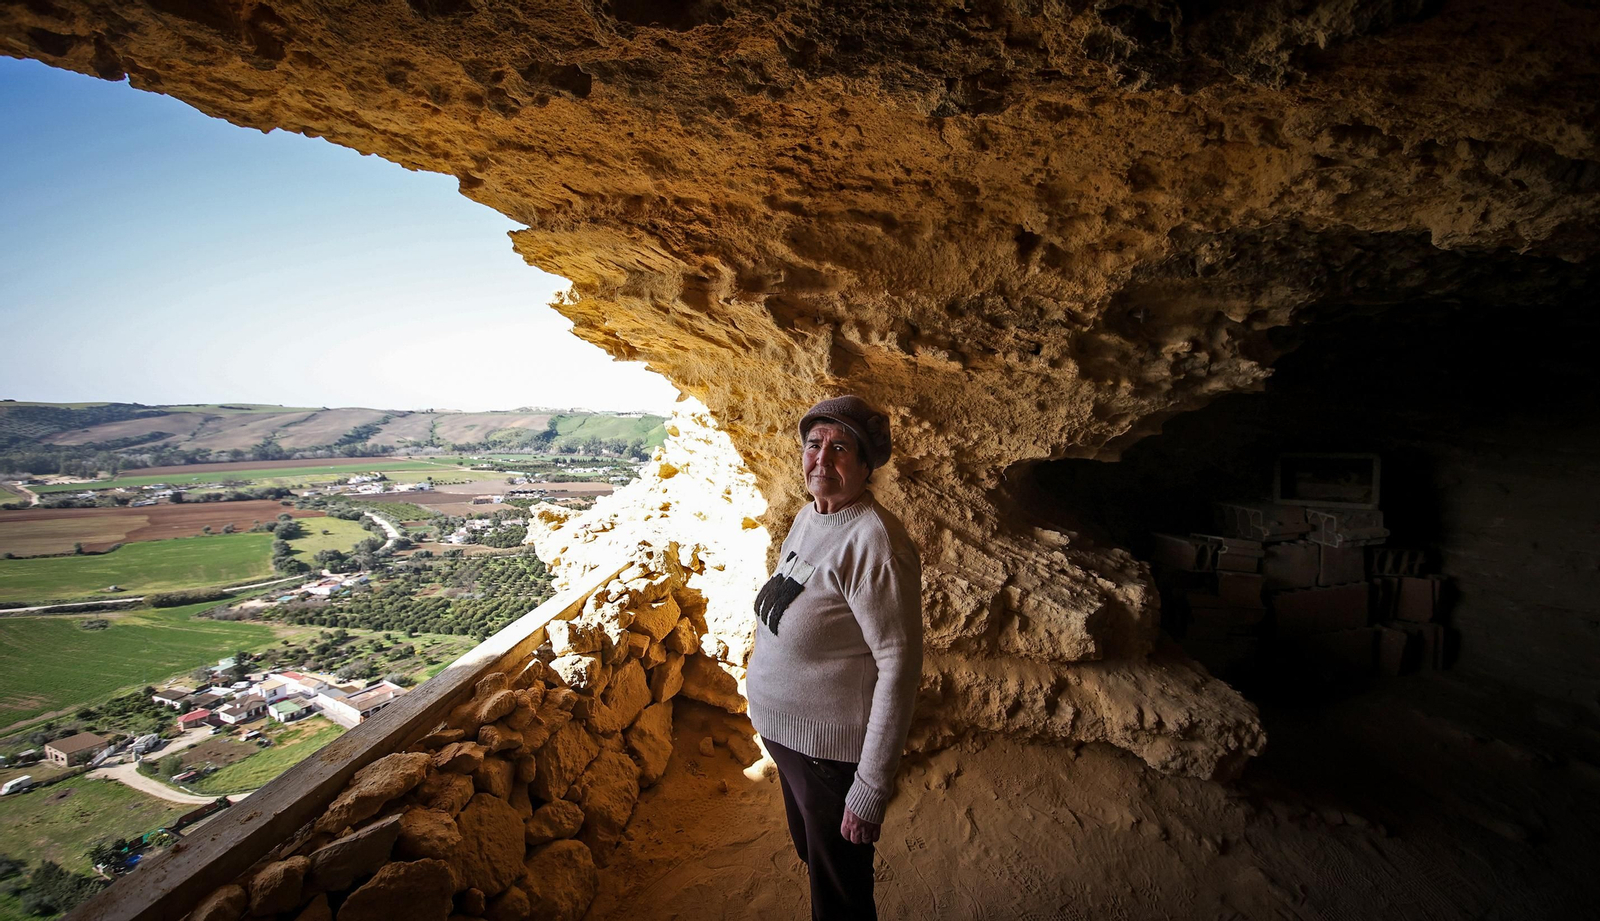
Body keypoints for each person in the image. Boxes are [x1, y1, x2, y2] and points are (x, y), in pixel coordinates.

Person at [747, 395, 924, 921]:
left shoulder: (876, 543)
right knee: (814, 854)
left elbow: (900, 666)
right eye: (814, 444)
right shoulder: (809, 516)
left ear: (866, 465)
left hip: (828, 755)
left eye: (841, 447)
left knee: (841, 897)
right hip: (787, 741)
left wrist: (870, 788)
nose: (822, 458)